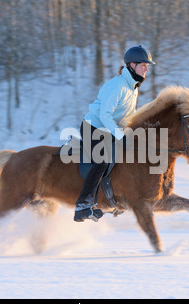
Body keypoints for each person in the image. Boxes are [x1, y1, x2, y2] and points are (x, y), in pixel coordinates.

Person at [74, 45, 155, 222]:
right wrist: (120, 136)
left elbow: (126, 116)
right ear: (132, 65)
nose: (147, 68)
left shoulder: (133, 87)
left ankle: (115, 200)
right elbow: (105, 115)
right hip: (93, 127)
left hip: (109, 128)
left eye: (147, 65)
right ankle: (82, 206)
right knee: (102, 161)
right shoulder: (117, 86)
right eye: (144, 65)